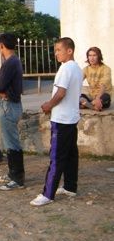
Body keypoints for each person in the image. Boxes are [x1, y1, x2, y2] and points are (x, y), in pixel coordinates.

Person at [31, 37, 82, 206]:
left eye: (59, 50)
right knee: (70, 155)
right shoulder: (77, 68)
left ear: (70, 50)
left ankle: (48, 194)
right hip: (71, 118)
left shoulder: (66, 69)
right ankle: (70, 187)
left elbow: (60, 93)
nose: (56, 53)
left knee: (57, 157)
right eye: (55, 50)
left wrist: (48, 105)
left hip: (61, 119)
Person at [0, 33, 24, 191]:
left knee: (12, 143)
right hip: (12, 104)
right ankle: (13, 174)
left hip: (9, 105)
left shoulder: (10, 63)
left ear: (1, 46)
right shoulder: (15, 61)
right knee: (10, 142)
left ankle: (17, 178)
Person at [80, 47, 111, 111]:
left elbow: (103, 86)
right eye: (90, 55)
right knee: (78, 97)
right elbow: (77, 81)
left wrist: (97, 99)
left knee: (106, 97)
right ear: (87, 57)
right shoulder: (86, 69)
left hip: (102, 97)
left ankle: (87, 105)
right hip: (92, 97)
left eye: (94, 55)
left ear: (99, 56)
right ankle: (93, 106)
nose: (92, 58)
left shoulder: (106, 69)